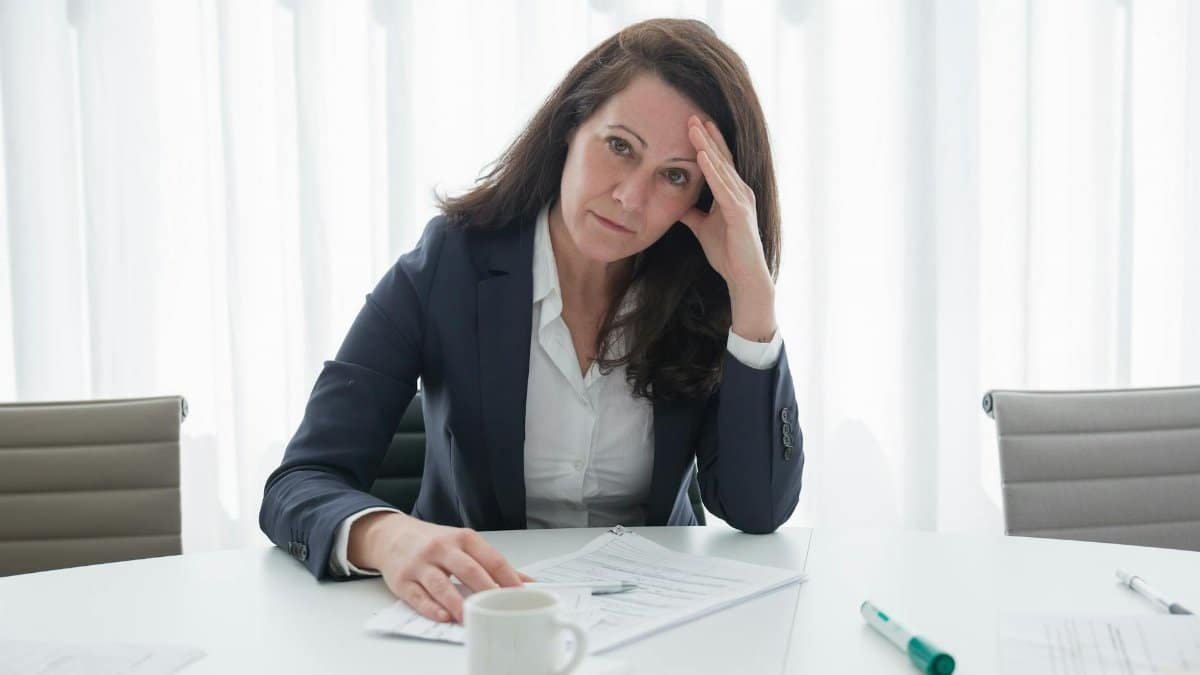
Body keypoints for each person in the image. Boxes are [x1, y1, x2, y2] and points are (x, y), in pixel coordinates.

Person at [259, 17, 803, 625]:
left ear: (702, 199)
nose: (629, 197)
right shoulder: (449, 266)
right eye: (619, 146)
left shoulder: (701, 293)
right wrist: (390, 537)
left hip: (656, 627)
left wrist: (752, 295)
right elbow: (300, 481)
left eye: (674, 175)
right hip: (482, 620)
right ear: (572, 125)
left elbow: (758, 510)